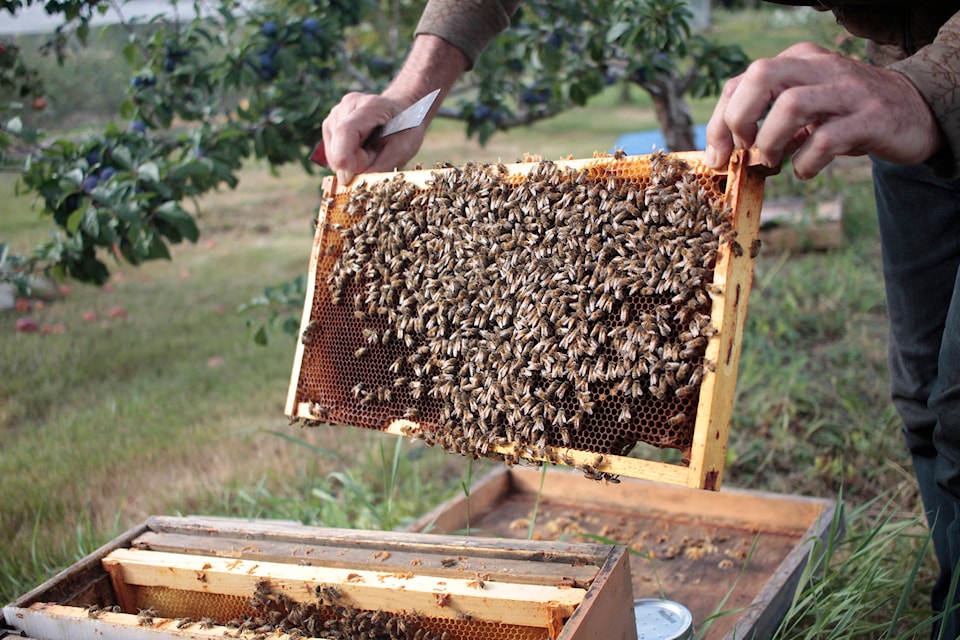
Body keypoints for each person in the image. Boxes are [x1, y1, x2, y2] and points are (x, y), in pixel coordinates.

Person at [321, 1, 960, 635]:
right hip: (902, 79)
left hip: (919, 85)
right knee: (927, 395)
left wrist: (926, 87)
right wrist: (410, 97)